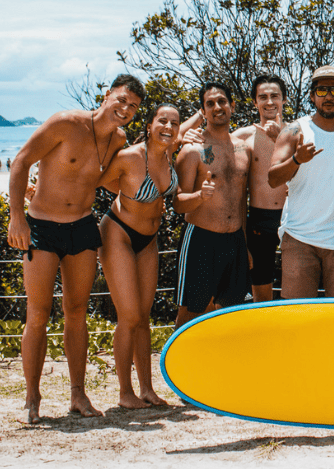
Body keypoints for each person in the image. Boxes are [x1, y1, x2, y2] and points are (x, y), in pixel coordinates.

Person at [6, 74, 145, 422]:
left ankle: (78, 395)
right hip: (42, 226)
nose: (125, 109)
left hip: (82, 226)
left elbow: (103, 178)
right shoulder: (65, 123)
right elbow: (21, 160)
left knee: (77, 312)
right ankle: (32, 399)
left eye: (132, 106)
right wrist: (16, 216)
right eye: (121, 100)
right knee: (38, 313)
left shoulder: (118, 139)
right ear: (106, 95)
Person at [98, 103, 180, 408]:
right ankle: (125, 393)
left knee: (143, 317)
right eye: (162, 121)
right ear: (149, 125)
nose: (168, 127)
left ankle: (147, 389)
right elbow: (95, 179)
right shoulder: (130, 156)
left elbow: (187, 128)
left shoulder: (170, 152)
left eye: (174, 123)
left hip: (148, 240)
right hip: (118, 233)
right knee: (130, 316)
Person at [268, 66, 334, 298]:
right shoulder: (294, 131)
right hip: (299, 237)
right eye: (322, 90)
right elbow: (273, 178)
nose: (329, 96)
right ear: (312, 95)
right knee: (298, 314)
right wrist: (296, 160)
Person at [173, 81, 252, 325]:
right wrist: (199, 196)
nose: (217, 107)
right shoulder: (192, 150)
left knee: (233, 314)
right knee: (190, 314)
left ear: (232, 106)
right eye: (210, 103)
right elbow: (177, 204)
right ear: (203, 111)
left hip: (235, 241)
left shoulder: (244, 150)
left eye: (222, 101)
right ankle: (179, 352)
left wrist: (245, 244)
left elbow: (241, 202)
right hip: (201, 239)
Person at [232, 74, 290, 301]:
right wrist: (194, 137)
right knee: (261, 288)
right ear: (255, 101)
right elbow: (213, 148)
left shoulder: (297, 133)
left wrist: (280, 138)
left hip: (292, 217)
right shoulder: (242, 137)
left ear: (284, 99)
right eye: (263, 97)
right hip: (259, 219)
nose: (269, 102)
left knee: (295, 286)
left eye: (275, 96)